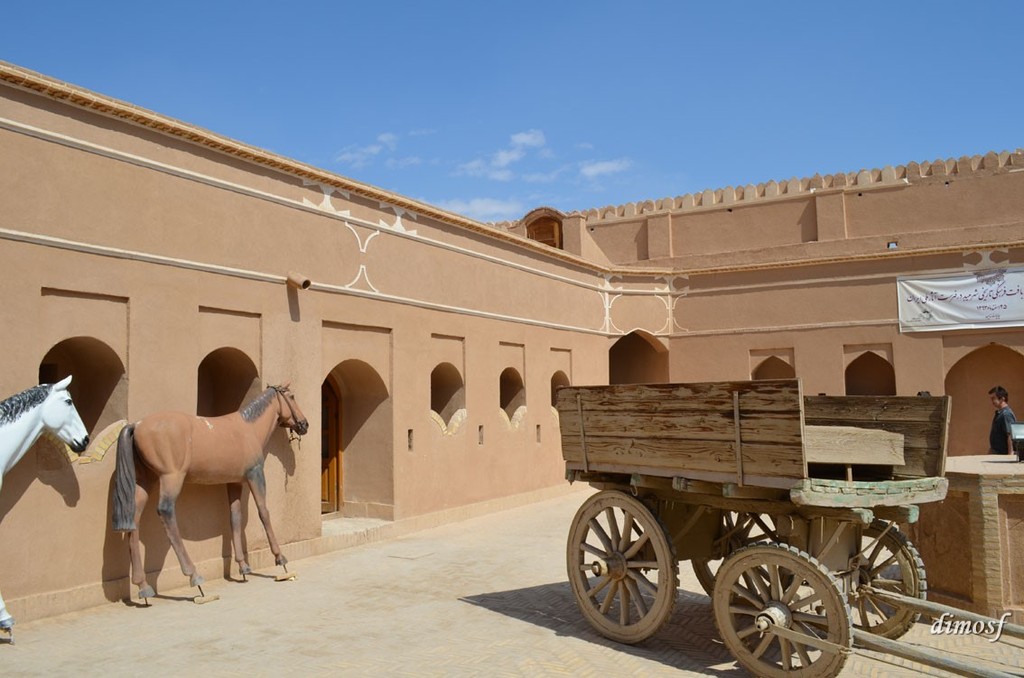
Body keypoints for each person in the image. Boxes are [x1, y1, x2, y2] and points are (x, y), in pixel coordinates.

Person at [988, 386, 1016, 455]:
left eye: (993, 398)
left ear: (1002, 399)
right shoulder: (1000, 413)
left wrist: (1010, 455)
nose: (992, 401)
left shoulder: (1006, 414)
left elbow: (1010, 435)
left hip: (1002, 454)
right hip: (996, 453)